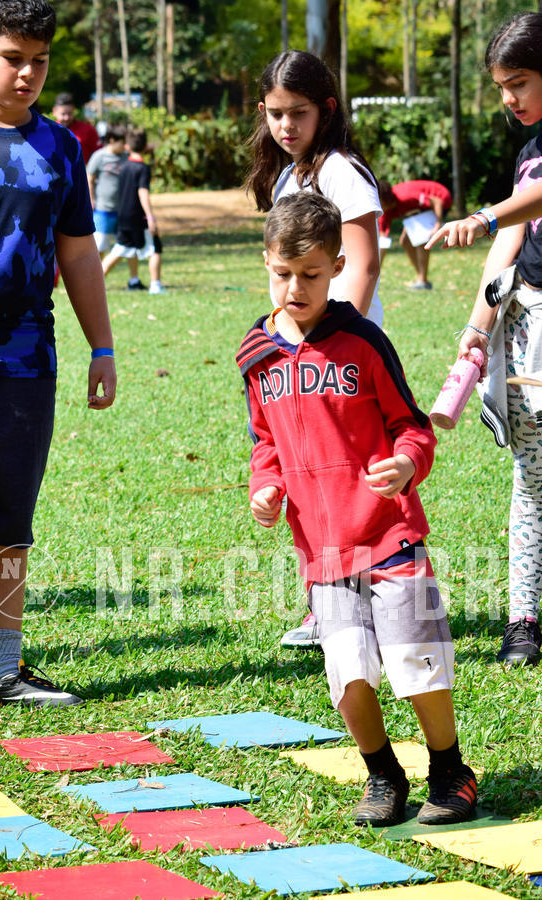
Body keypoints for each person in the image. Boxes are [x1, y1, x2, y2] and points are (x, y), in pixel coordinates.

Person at [237, 191, 477, 826]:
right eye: (283, 273)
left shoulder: (365, 341)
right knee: (348, 673)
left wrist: (406, 465)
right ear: (265, 261)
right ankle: (383, 774)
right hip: (323, 550)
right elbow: (265, 440)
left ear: (337, 266)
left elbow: (412, 426)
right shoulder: (255, 355)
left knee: (415, 659)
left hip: (390, 534)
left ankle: (450, 770)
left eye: (311, 274)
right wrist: (267, 486)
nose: (296, 287)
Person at [0, 0, 117, 707]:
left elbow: (77, 253)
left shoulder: (61, 148)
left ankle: (3, 672)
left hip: (24, 365)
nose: (28, 74)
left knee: (6, 524)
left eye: (40, 61)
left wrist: (101, 346)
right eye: (15, 58)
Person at [245, 49, 383, 650]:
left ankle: (372, 599)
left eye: (298, 113)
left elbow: (366, 263)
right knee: (305, 477)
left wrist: (331, 340)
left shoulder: (342, 172)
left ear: (326, 110)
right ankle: (324, 603)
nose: (286, 126)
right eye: (276, 114)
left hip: (343, 359)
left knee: (353, 481)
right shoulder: (289, 176)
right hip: (297, 356)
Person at [426, 12, 542, 669]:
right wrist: (477, 327)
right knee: (531, 480)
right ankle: (522, 622)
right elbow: (512, 239)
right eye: (501, 85)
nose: (508, 98)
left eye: (519, 82)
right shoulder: (528, 149)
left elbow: (530, 203)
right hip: (529, 326)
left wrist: (486, 211)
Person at [102, 128, 166, 294]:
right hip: (138, 217)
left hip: (123, 216)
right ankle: (155, 286)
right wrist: (150, 217)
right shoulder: (142, 168)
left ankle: (91, 285)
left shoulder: (123, 167)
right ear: (145, 147)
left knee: (119, 250)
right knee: (155, 248)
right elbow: (142, 192)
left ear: (127, 147)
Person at [378, 180, 452, 289]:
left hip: (442, 198)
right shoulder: (385, 211)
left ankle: (423, 281)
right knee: (405, 241)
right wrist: (375, 273)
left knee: (420, 238)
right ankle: (422, 278)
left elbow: (437, 202)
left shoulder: (406, 197)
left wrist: (437, 225)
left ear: (386, 200)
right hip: (421, 209)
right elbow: (382, 241)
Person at [87, 123, 128, 256]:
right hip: (102, 210)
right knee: (100, 245)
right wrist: (91, 199)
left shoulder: (126, 156)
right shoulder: (99, 156)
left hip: (122, 209)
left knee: (125, 246)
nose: (125, 146)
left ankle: (134, 277)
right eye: (122, 143)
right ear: (112, 140)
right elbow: (89, 178)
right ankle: (96, 275)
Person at [53, 91, 101, 164]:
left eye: (70, 113)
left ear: (74, 110)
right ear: (54, 111)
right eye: (63, 114)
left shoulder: (88, 129)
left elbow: (99, 154)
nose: (66, 117)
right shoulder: (49, 130)